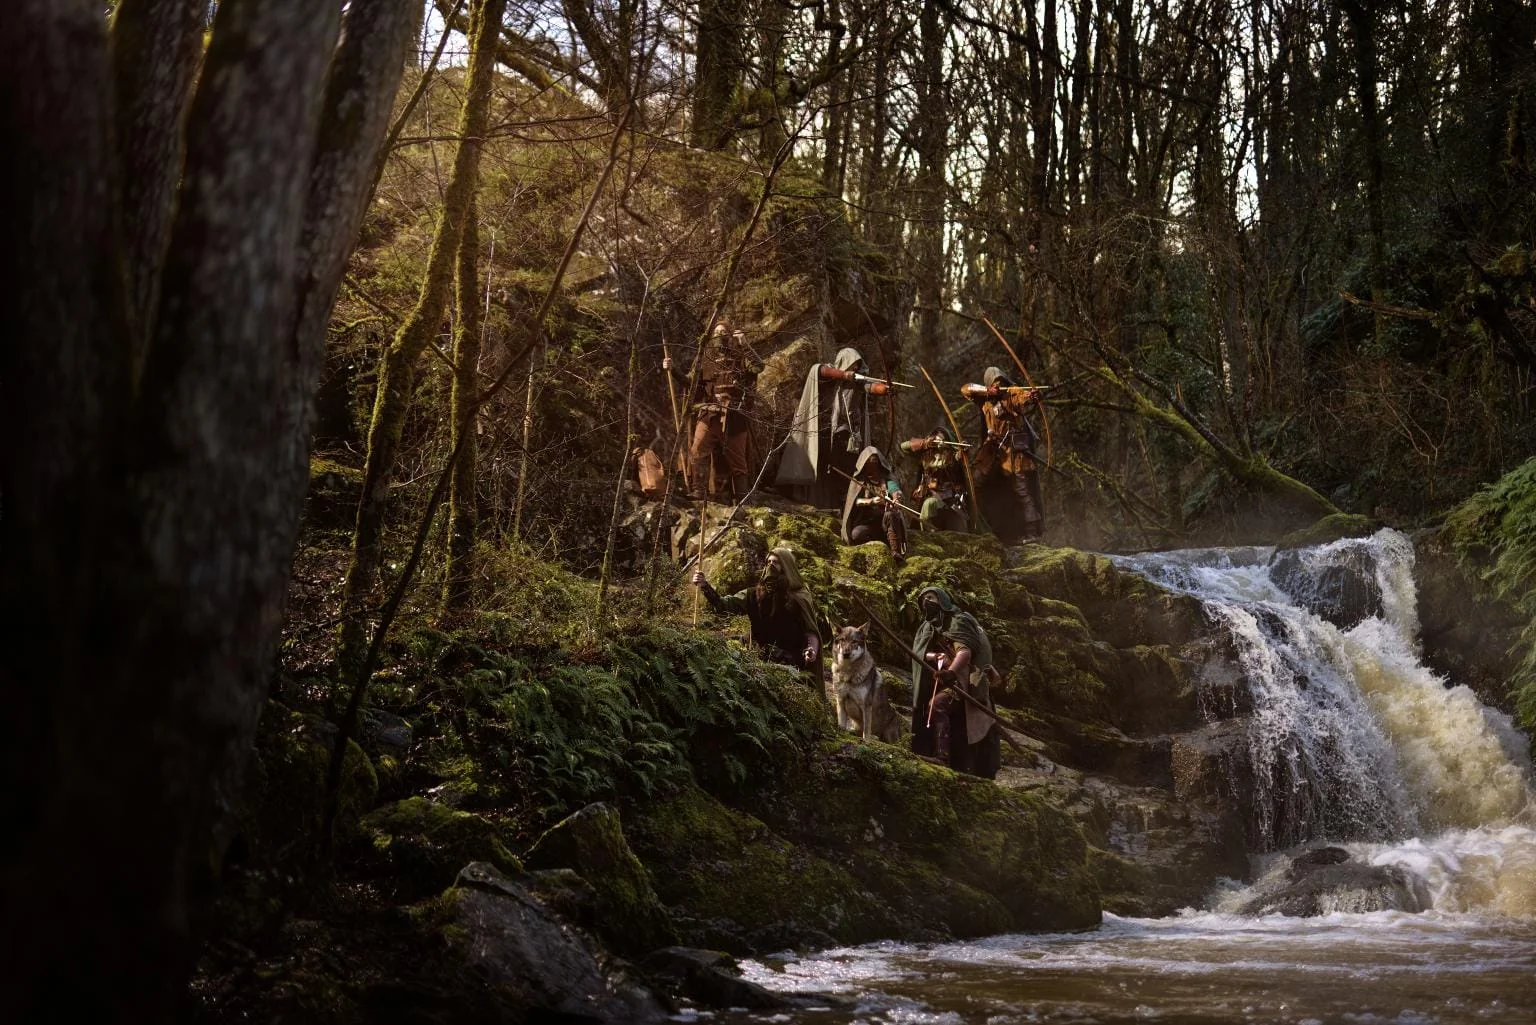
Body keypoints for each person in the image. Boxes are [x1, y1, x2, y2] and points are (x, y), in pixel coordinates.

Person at [775, 347, 889, 508]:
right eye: (852, 364)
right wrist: (843, 375)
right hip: (826, 433)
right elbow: (818, 370)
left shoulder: (858, 382)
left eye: (857, 365)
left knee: (846, 471)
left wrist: (884, 389)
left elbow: (871, 387)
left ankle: (843, 503)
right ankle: (816, 501)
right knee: (822, 468)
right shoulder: (830, 376)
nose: (855, 368)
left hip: (847, 437)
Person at [665, 321, 763, 501]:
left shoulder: (741, 356)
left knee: (738, 461)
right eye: (716, 332)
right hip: (709, 415)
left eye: (723, 332)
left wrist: (744, 343)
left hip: (735, 417)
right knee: (697, 451)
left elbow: (758, 367)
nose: (720, 335)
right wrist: (673, 370)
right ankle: (699, 491)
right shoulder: (705, 358)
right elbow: (691, 383)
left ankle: (743, 498)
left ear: (730, 335)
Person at [909, 586, 1000, 779]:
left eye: (932, 597)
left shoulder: (958, 621)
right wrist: (935, 656)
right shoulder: (928, 627)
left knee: (938, 705)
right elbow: (921, 652)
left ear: (942, 600)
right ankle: (939, 754)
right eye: (923, 599)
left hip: (963, 682)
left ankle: (943, 757)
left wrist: (950, 673)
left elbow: (964, 652)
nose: (927, 601)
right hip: (941, 680)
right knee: (935, 710)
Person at [692, 547, 823, 675]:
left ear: (786, 567)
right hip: (757, 658)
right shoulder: (754, 594)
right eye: (769, 562)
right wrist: (705, 586)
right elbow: (724, 605)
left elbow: (810, 630)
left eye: (776, 562)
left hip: (789, 662)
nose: (771, 565)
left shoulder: (799, 596)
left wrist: (811, 649)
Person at [963, 367, 1044, 543]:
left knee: (1021, 488)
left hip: (1012, 450)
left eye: (1000, 383)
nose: (998, 387)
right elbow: (966, 389)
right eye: (994, 384)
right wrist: (987, 391)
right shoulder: (983, 399)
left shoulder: (1011, 394)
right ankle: (978, 525)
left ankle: (1032, 532)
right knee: (974, 482)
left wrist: (1032, 396)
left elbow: (1024, 397)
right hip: (991, 449)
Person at [840, 446, 908, 561]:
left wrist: (896, 499)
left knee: (891, 515)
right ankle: (873, 547)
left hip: (885, 523)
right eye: (870, 464)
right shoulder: (859, 482)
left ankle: (895, 551)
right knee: (857, 534)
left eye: (875, 464)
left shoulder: (886, 481)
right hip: (866, 523)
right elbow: (854, 501)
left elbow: (896, 491)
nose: (873, 468)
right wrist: (871, 501)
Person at [898, 426, 970, 533]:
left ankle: (930, 534)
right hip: (927, 495)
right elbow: (903, 446)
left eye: (942, 439)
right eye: (937, 439)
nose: (939, 442)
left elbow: (957, 459)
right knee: (927, 505)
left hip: (948, 499)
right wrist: (925, 443)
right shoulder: (926, 454)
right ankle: (928, 534)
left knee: (930, 505)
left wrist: (961, 453)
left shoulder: (952, 456)